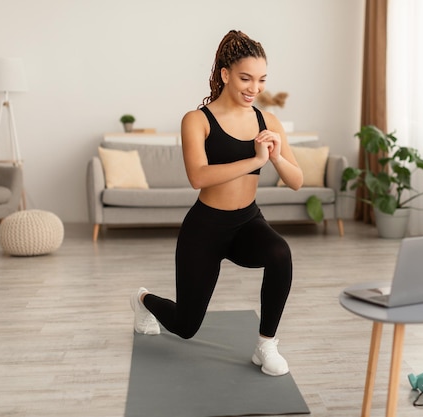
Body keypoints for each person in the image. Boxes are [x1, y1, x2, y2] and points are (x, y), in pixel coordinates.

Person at [129, 30, 303, 377]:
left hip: (247, 223)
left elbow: (297, 181)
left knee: (280, 253)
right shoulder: (197, 120)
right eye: (245, 78)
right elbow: (198, 176)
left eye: (261, 80)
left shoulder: (268, 121)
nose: (254, 88)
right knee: (186, 325)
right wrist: (255, 161)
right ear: (225, 74)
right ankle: (142, 300)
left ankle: (265, 345)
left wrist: (277, 156)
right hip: (206, 228)